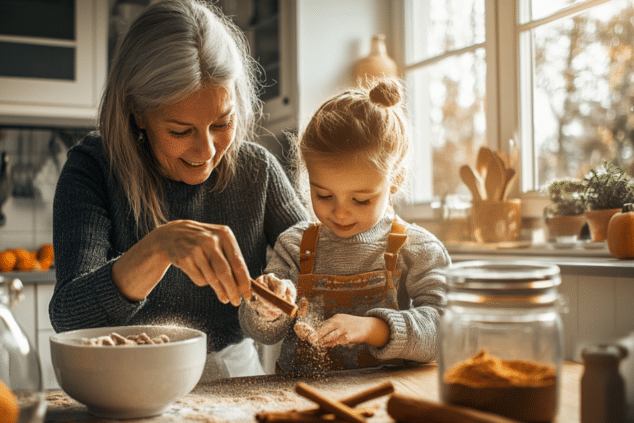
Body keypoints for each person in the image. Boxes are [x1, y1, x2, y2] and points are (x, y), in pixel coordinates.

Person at [49, 0, 308, 379]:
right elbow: (70, 316)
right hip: (124, 378)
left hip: (234, 376)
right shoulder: (92, 169)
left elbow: (319, 271)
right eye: (180, 131)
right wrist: (159, 247)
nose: (206, 151)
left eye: (222, 123)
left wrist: (283, 291)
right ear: (137, 111)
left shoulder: (257, 169)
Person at [239, 78, 450, 374]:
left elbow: (445, 329)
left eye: (361, 200)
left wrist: (373, 329)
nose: (340, 212)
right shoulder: (294, 245)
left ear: (396, 180)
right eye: (323, 195)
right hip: (299, 397)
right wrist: (267, 308)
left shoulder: (418, 248)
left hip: (383, 401)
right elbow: (261, 333)